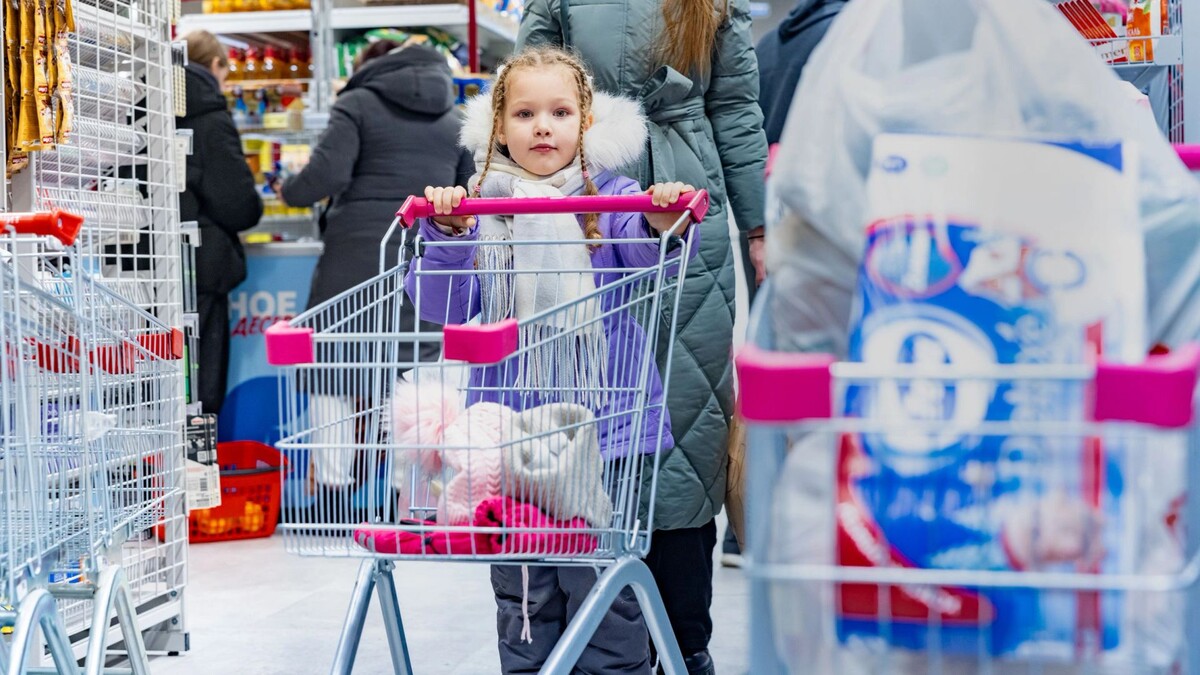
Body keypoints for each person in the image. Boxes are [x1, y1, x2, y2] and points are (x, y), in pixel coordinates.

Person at [408, 45, 697, 675]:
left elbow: (648, 257)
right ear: (498, 128)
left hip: (603, 425)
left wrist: (659, 218)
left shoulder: (613, 198)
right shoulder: (479, 207)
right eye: (525, 113)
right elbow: (442, 305)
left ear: (585, 123)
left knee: (597, 577)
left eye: (560, 112)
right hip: (507, 431)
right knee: (522, 583)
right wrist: (449, 234)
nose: (543, 126)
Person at [517, 2, 768, 672]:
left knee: (686, 431)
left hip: (686, 211)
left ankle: (683, 644)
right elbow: (522, 87)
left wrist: (758, 227)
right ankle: (598, 642)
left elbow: (736, 107)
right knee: (584, 423)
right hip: (578, 201)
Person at [275, 40, 472, 494]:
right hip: (423, 254)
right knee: (408, 367)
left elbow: (326, 175)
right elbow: (466, 197)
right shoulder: (455, 119)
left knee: (334, 362)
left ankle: (332, 488)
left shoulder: (357, 103)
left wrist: (289, 190)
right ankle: (408, 493)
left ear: (370, 67)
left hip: (356, 251)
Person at [716, 0, 848, 568]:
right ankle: (816, 524)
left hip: (765, 219)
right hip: (824, 226)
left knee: (772, 366)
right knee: (825, 378)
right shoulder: (853, 35)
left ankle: (746, 523)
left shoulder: (770, 45)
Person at [178, 30, 263, 415]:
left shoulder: (142, 104)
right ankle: (197, 451)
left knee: (154, 384)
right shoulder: (211, 117)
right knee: (201, 390)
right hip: (201, 268)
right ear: (215, 65)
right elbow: (239, 206)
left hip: (142, 266)